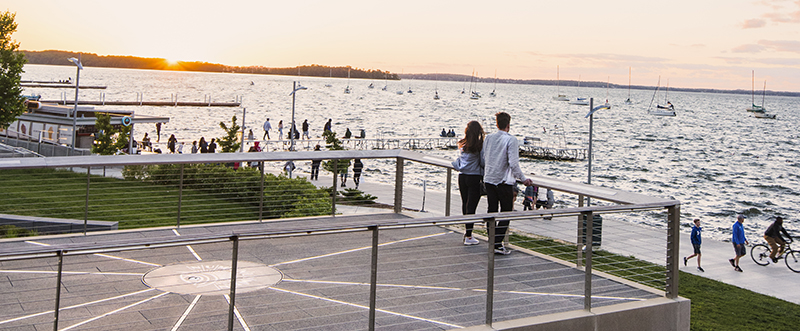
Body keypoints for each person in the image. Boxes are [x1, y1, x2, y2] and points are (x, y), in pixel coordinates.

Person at [483, 112, 533, 255]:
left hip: (490, 179)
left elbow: (485, 157)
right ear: (508, 125)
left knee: (491, 210)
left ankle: (492, 240)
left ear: (497, 123)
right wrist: (523, 179)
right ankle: (497, 243)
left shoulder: (489, 138)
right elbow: (513, 163)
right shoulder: (511, 140)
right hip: (504, 181)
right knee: (506, 212)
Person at [452, 121, 485, 245]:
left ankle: (467, 232)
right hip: (474, 177)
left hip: (462, 176)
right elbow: (482, 162)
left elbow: (459, 160)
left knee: (465, 203)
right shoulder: (479, 145)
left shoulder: (462, 144)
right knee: (472, 206)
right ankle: (469, 236)